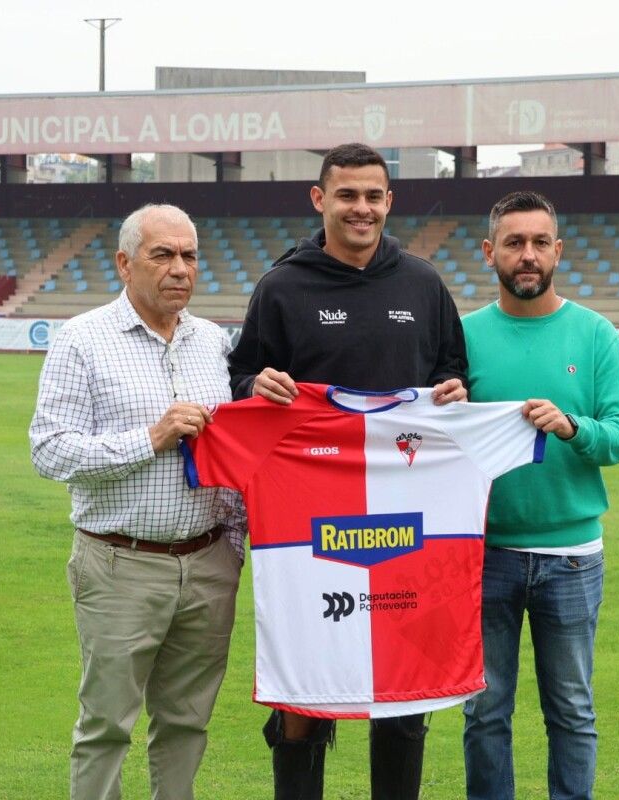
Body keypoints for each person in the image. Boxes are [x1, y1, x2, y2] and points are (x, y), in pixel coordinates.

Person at [228, 142, 468, 800]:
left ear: (389, 201)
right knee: (303, 698)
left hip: (404, 523)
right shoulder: (282, 286)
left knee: (403, 695)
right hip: (308, 524)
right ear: (320, 199)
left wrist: (452, 388)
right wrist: (257, 383)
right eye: (347, 195)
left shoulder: (422, 284)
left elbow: (452, 372)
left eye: (372, 196)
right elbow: (239, 377)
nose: (360, 208)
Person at [30, 203, 245, 800]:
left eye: (189, 256)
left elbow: (230, 454)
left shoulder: (212, 342)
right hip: (121, 562)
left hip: (207, 563)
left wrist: (234, 542)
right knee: (105, 725)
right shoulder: (83, 339)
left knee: (187, 722)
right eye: (163, 255)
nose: (180, 268)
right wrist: (150, 438)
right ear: (125, 263)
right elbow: (49, 450)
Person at [460, 191, 619, 800]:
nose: (527, 255)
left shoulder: (595, 336)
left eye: (539, 243)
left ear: (558, 250)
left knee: (571, 710)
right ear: (490, 253)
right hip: (485, 555)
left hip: (571, 557)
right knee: (484, 712)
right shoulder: (464, 337)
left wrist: (573, 427)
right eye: (514, 243)